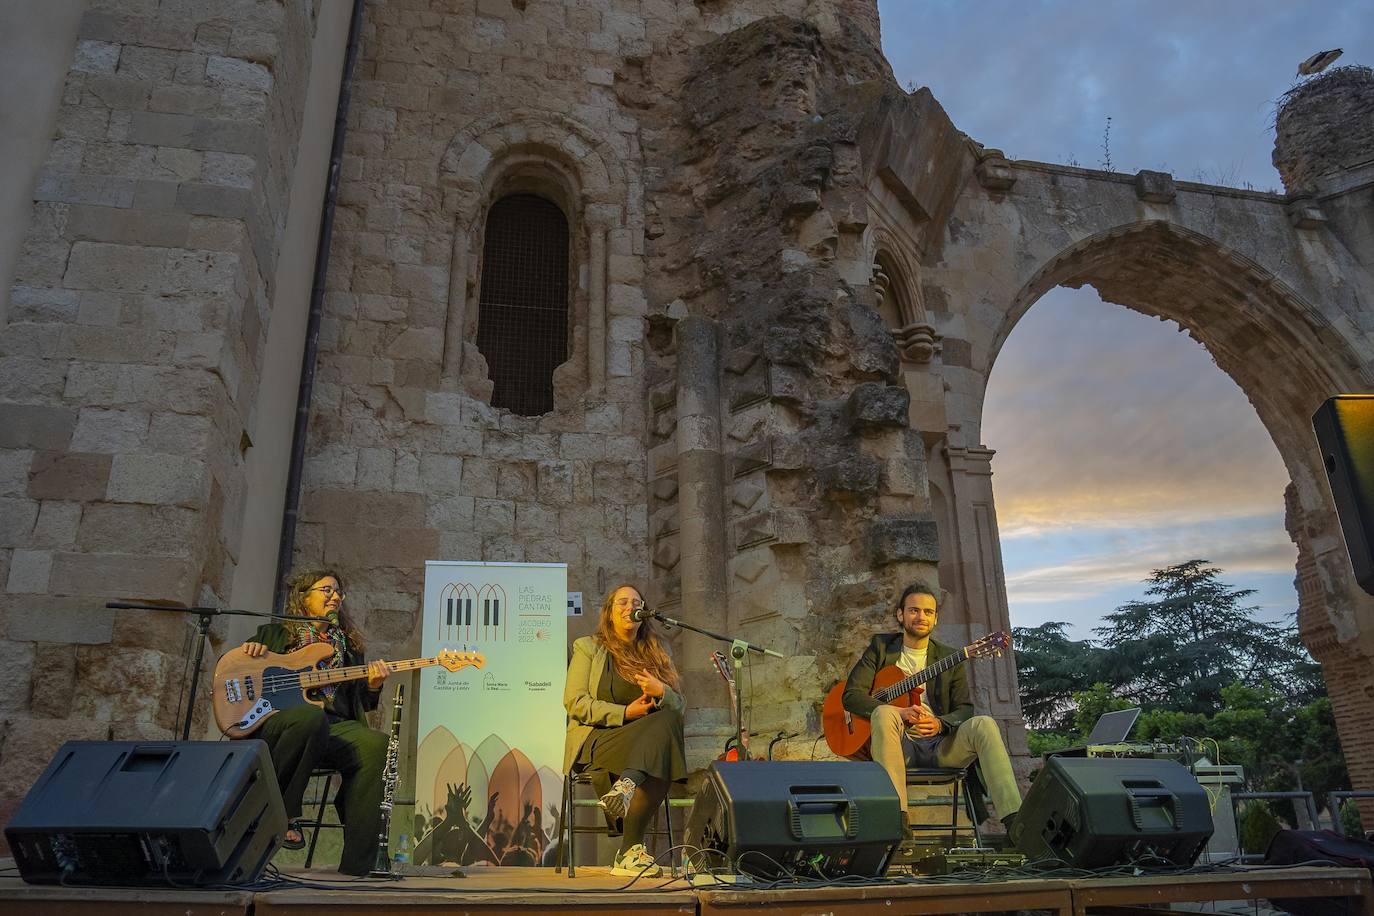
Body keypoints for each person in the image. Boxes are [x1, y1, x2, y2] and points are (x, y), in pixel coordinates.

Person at [236, 568, 393, 875]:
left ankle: (361, 864)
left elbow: (360, 701)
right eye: (326, 591)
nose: (335, 596)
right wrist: (250, 651)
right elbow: (240, 672)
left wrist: (373, 685)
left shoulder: (349, 647)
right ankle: (283, 816)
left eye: (338, 592)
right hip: (282, 723)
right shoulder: (274, 635)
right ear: (303, 598)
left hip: (334, 726)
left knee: (377, 745)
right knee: (310, 716)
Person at [842, 581, 1022, 837]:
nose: (921, 617)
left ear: (936, 619)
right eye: (914, 610)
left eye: (928, 612)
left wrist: (941, 724)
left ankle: (1017, 824)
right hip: (897, 745)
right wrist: (899, 713)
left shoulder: (950, 657)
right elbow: (851, 696)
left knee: (984, 723)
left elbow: (965, 709)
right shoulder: (880, 649)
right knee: (884, 712)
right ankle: (897, 823)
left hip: (940, 746)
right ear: (900, 614)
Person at [564, 584, 686, 877]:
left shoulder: (657, 652)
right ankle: (630, 849)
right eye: (621, 602)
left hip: (644, 742)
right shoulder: (588, 647)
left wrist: (662, 691)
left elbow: (680, 706)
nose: (629, 606)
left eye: (635, 602)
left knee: (667, 722)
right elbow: (574, 702)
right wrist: (626, 712)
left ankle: (626, 787)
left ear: (643, 613)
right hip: (598, 738)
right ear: (609, 612)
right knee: (662, 747)